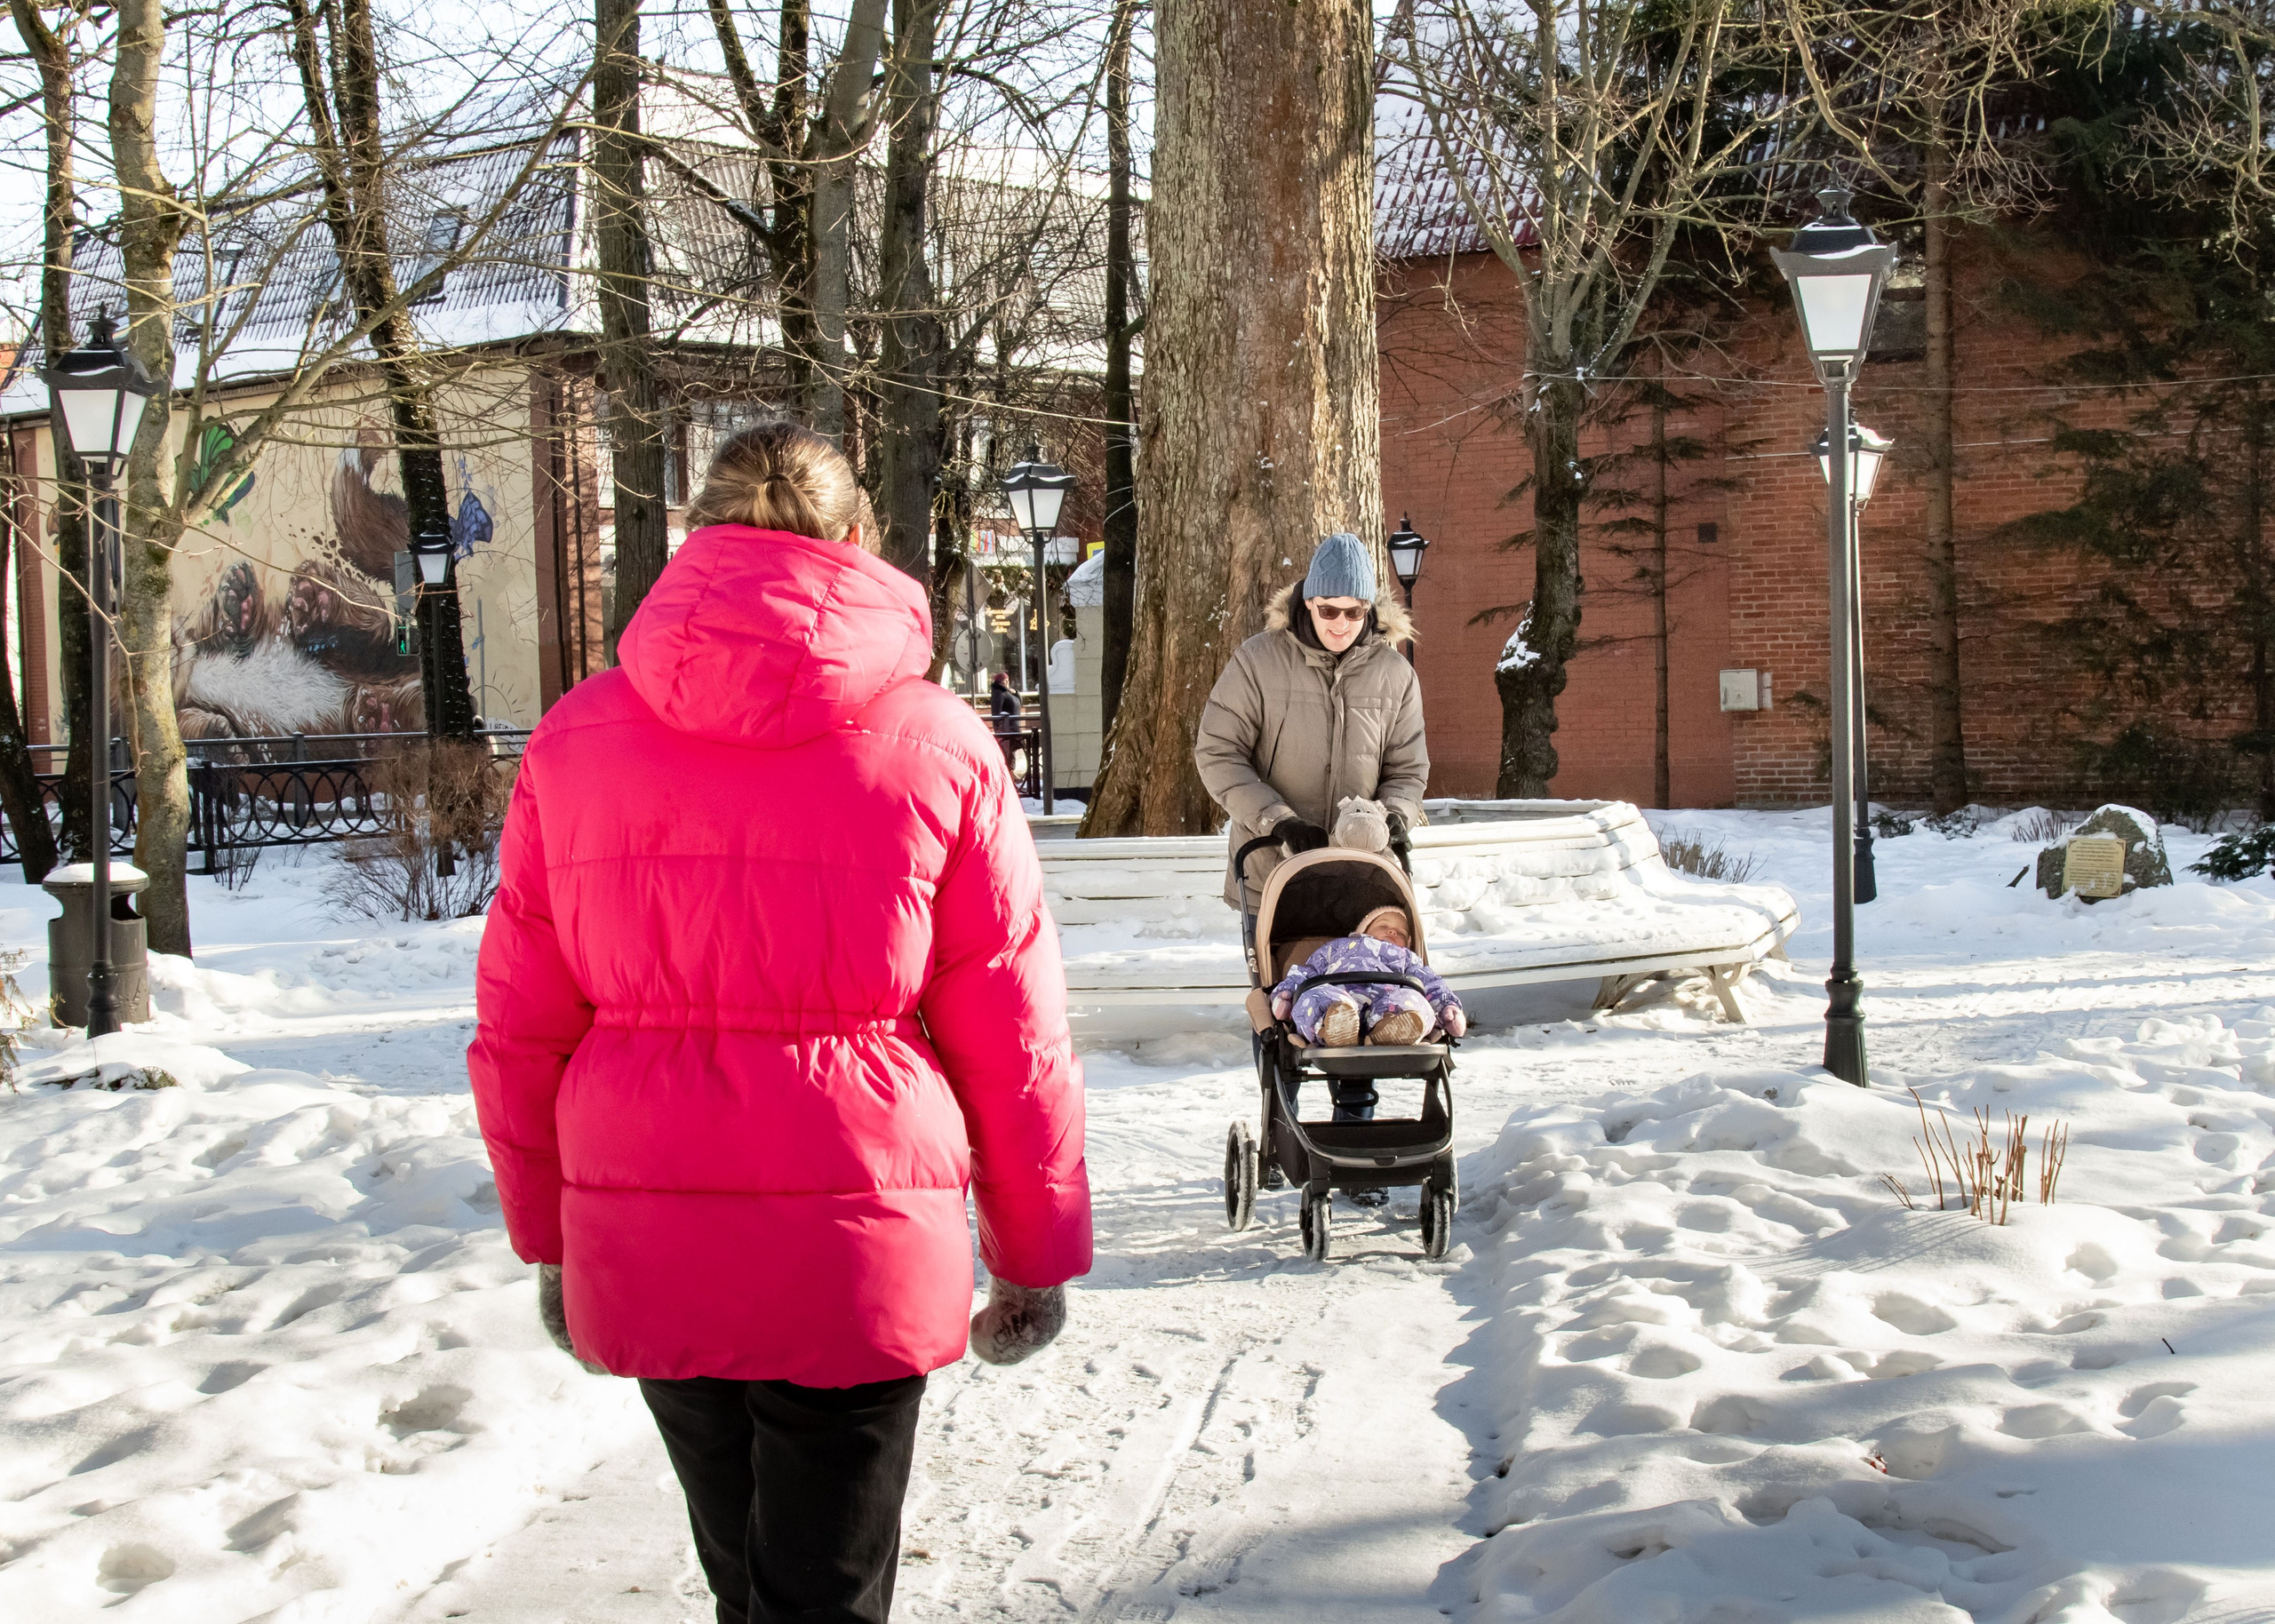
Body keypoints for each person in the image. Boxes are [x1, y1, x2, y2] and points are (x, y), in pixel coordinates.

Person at [468, 419, 1091, 1624]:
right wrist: (1033, 1249)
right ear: (858, 538)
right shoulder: (941, 746)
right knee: (824, 1592)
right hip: (857, 1226)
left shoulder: (577, 737)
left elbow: (521, 1024)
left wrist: (550, 1235)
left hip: (646, 1211)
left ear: (699, 537)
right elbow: (1011, 1029)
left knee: (742, 1575)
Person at [1193, 530, 1430, 912]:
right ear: (1308, 601)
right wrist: (1279, 822)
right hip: (1272, 869)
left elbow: (1407, 767)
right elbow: (1218, 754)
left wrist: (1394, 816)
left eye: (1354, 612)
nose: (1341, 623)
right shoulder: (1257, 662)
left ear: (1368, 608)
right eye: (1329, 610)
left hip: (1361, 875)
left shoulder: (1395, 673)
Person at [1268, 904, 1468, 1047]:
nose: (1392, 931)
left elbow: (1430, 982)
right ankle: (1330, 1028)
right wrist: (1287, 992)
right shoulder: (1338, 947)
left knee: (1414, 1000)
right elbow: (1307, 972)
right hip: (1340, 996)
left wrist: (1447, 1007)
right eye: (1383, 926)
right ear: (1363, 930)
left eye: (1400, 932)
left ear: (1407, 943)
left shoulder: (1407, 957)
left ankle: (1391, 1027)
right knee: (1314, 996)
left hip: (1387, 1001)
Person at [988, 668, 1023, 774]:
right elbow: (996, 711)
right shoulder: (999, 693)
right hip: (1006, 728)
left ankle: (1011, 773)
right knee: (1007, 752)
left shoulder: (1009, 692)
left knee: (1012, 752)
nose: (1006, 682)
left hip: (1014, 727)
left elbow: (1019, 702)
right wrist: (998, 728)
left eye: (1008, 680)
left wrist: (1016, 692)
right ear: (999, 682)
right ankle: (1008, 774)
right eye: (1004, 680)